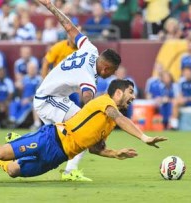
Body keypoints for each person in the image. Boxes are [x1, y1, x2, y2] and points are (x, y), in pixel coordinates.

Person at [0, 79, 168, 179]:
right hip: (51, 138)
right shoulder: (105, 103)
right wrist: (143, 137)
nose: (132, 98)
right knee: (1, 153)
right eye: (130, 93)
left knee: (13, 171)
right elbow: (119, 117)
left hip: (57, 157)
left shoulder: (107, 126)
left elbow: (93, 148)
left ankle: (1, 144)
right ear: (118, 92)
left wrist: (114, 154)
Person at [33, 0, 121, 181]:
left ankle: (24, 143)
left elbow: (70, 28)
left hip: (52, 97)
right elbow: (87, 97)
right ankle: (69, 172)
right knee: (84, 130)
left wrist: (51, 7)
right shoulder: (88, 77)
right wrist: (98, 118)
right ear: (105, 68)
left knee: (58, 141)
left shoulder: (91, 49)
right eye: (112, 71)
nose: (110, 75)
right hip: (47, 99)